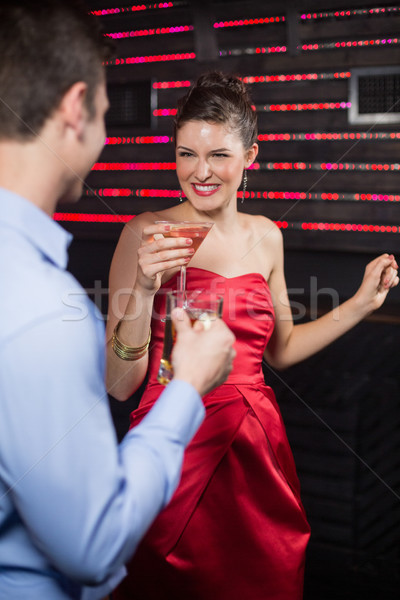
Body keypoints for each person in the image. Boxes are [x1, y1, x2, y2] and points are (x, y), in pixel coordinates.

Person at [106, 71, 399, 600]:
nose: (199, 172)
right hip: (175, 442)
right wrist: (145, 289)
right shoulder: (144, 233)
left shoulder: (268, 236)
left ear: (251, 156)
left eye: (218, 155)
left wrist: (359, 304)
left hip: (256, 448)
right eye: (185, 154)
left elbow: (280, 351)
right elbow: (120, 384)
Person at [0, 3, 236, 599]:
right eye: (107, 111)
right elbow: (93, 544)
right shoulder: (43, 306)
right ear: (77, 109)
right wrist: (187, 387)